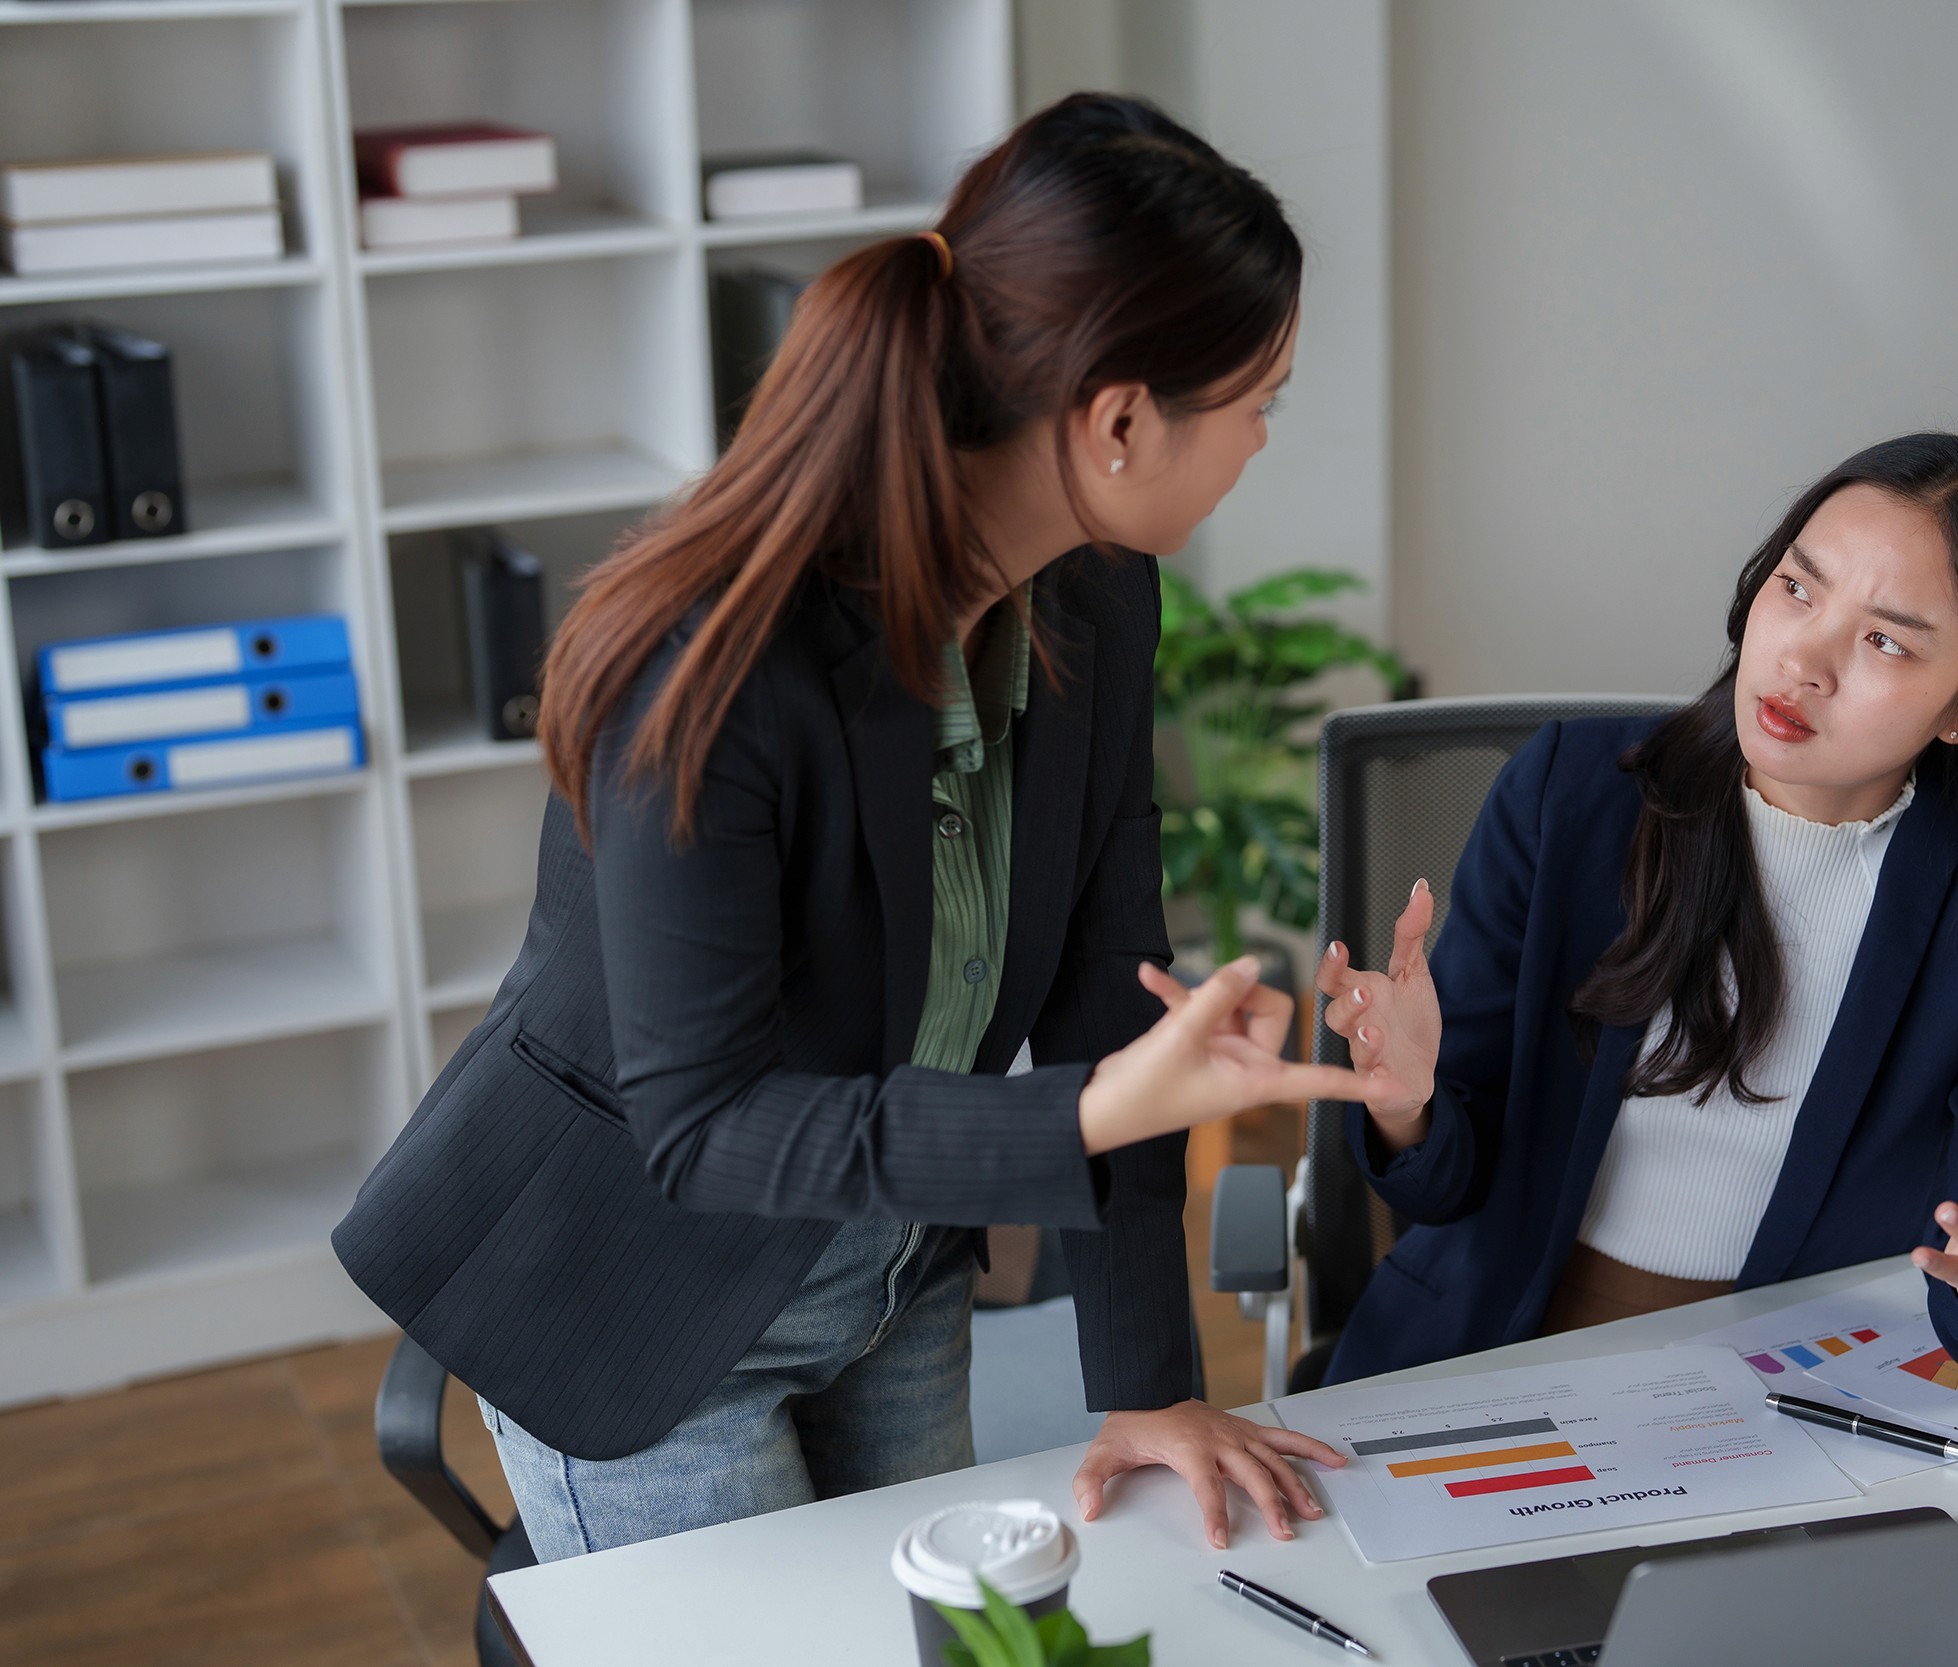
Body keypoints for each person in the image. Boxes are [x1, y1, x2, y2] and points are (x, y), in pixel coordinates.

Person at [332, 93, 1370, 1561]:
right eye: (1259, 397)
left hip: (893, 1266)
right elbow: (702, 1122)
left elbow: (1106, 991)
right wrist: (1085, 1112)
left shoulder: (1095, 592)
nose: (1265, 435)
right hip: (634, 1292)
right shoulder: (716, 660)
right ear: (1120, 420)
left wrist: (1148, 1386)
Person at [1314, 432, 1958, 1385]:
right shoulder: (1567, 797)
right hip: (1499, 1354)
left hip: (1798, 1396)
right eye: (1799, 587)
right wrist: (1407, 1102)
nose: (1804, 659)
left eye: (1884, 639)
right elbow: (1447, 1185)